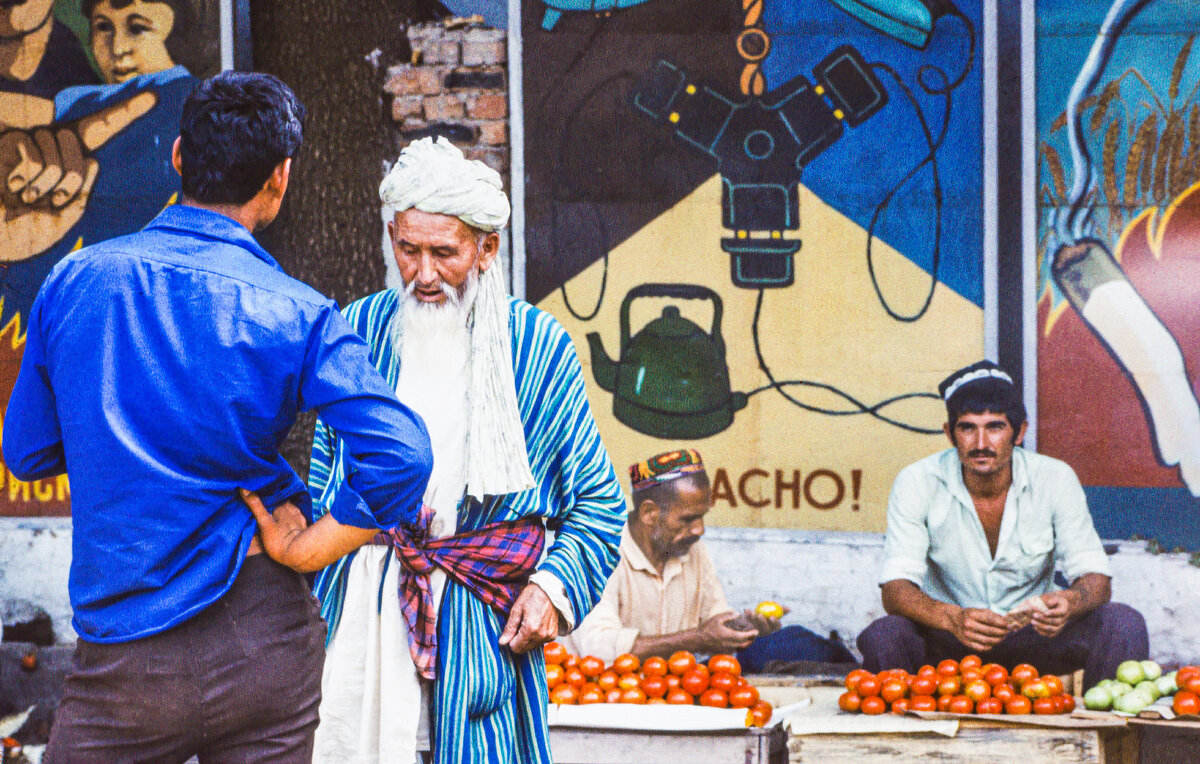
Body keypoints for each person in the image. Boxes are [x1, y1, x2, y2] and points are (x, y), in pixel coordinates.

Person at [3, 71, 433, 762]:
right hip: (267, 638)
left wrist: (114, 435)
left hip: (126, 659)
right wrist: (316, 545)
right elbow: (403, 455)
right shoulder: (299, 310)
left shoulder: (77, 281)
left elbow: (26, 453)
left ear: (178, 157)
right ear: (280, 179)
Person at [265, 136, 626, 764]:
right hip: (364, 620)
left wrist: (551, 589)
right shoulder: (358, 330)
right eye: (408, 250)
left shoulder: (538, 347)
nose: (423, 275)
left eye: (444, 253)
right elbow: (326, 480)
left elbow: (597, 504)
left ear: (485, 249)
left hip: (482, 628)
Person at [857, 360, 1149, 688]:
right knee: (884, 635)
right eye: (967, 427)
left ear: (1019, 431)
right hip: (949, 640)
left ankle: (1107, 733)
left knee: (1124, 623)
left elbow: (1096, 578)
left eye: (995, 426)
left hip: (1034, 638)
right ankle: (903, 738)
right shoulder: (917, 481)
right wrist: (952, 619)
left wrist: (1070, 602)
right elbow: (895, 590)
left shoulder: (1054, 478)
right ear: (949, 433)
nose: (981, 442)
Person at [568, 449, 854, 670]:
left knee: (795, 643)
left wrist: (743, 628)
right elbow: (597, 651)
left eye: (702, 516)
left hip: (674, 689)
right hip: (605, 695)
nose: (699, 530)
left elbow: (713, 621)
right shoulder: (598, 550)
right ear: (648, 513)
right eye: (688, 519)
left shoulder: (690, 548)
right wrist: (697, 639)